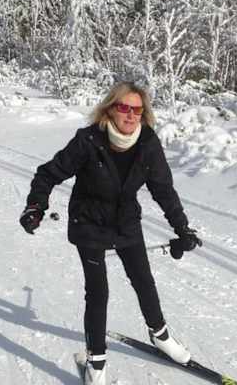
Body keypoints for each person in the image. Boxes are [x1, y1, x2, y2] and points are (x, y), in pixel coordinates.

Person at [19, 82, 202, 385]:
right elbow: (48, 173)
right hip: (89, 221)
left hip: (125, 220)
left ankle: (160, 336)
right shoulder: (89, 140)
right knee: (98, 291)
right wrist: (36, 206)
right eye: (124, 107)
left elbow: (163, 190)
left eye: (137, 110)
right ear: (110, 109)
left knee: (143, 280)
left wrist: (181, 227)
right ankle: (97, 364)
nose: (130, 115)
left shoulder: (147, 143)